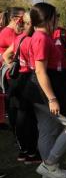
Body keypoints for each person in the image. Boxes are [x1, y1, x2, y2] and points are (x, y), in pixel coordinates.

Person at [27, 3, 66, 178]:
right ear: (49, 19)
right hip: (44, 90)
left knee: (47, 129)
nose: (58, 19)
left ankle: (49, 171)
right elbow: (40, 71)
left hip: (38, 89)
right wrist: (52, 98)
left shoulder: (40, 36)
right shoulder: (41, 38)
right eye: (56, 16)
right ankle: (49, 164)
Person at [2, 12, 41, 165]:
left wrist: (12, 66)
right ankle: (32, 152)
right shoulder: (33, 40)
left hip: (18, 80)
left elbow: (6, 55)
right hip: (30, 79)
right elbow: (38, 66)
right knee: (30, 118)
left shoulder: (19, 38)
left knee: (21, 117)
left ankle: (25, 151)